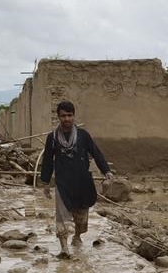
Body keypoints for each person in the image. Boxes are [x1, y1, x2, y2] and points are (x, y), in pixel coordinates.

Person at [39, 100, 114, 258]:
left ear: (74, 116)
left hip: (82, 182)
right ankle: (64, 249)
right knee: (62, 216)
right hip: (62, 183)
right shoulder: (52, 138)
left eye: (69, 115)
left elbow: (96, 153)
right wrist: (45, 183)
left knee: (81, 216)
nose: (66, 119)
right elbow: (47, 160)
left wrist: (106, 170)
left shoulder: (83, 135)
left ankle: (77, 236)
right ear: (58, 117)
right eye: (63, 116)